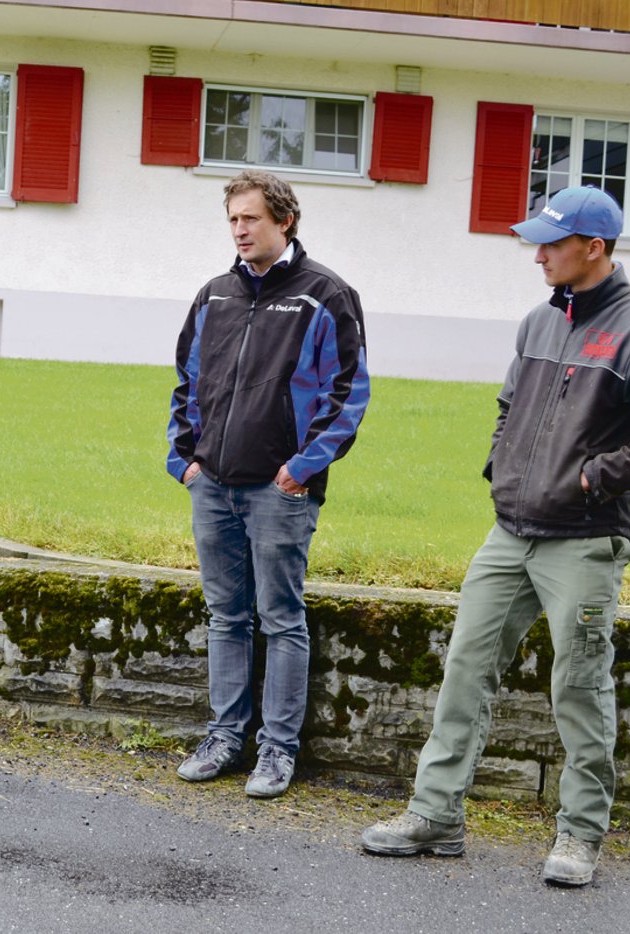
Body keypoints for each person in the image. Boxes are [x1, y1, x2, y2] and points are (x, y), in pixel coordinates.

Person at [359, 186, 630, 885]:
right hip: (509, 532)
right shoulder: (538, 323)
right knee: (464, 670)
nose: (537, 253)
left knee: (578, 686)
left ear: (594, 248)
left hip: (584, 538)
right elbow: (509, 405)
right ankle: (436, 814)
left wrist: (589, 478)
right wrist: (501, 465)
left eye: (551, 242)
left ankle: (578, 836)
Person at [167, 169, 370, 798]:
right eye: (232, 219)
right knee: (226, 616)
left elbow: (349, 395)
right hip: (213, 485)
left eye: (251, 218)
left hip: (278, 491)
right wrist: (185, 461)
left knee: (280, 619)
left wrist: (300, 470)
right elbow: (187, 383)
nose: (239, 230)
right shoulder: (214, 296)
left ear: (285, 220)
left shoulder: (325, 295)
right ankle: (225, 736)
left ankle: (278, 750)